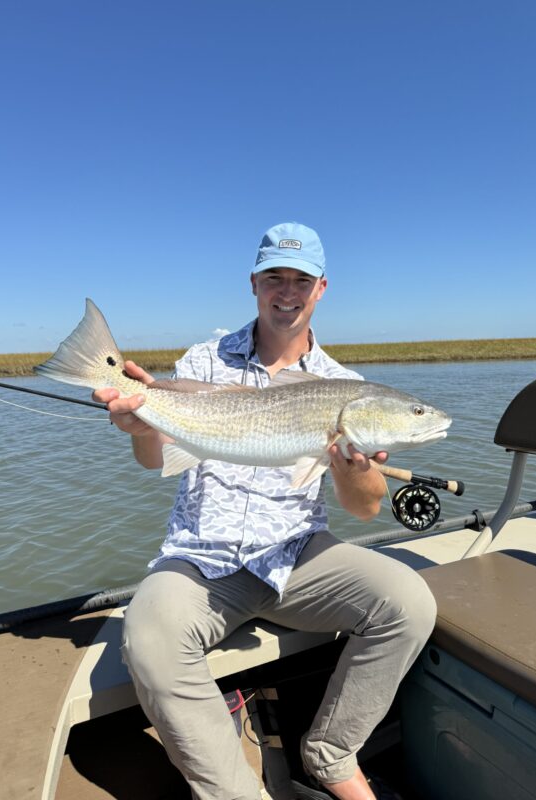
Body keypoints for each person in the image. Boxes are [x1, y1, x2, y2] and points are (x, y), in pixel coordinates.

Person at [94, 222, 437, 800]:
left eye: (300, 280)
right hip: (202, 556)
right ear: (254, 283)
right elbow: (156, 460)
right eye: (274, 277)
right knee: (149, 638)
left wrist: (354, 469)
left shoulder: (343, 385)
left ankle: (331, 755)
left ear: (321, 288)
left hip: (296, 553)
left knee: (408, 602)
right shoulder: (204, 359)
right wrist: (140, 421)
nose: (287, 290)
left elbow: (365, 508)